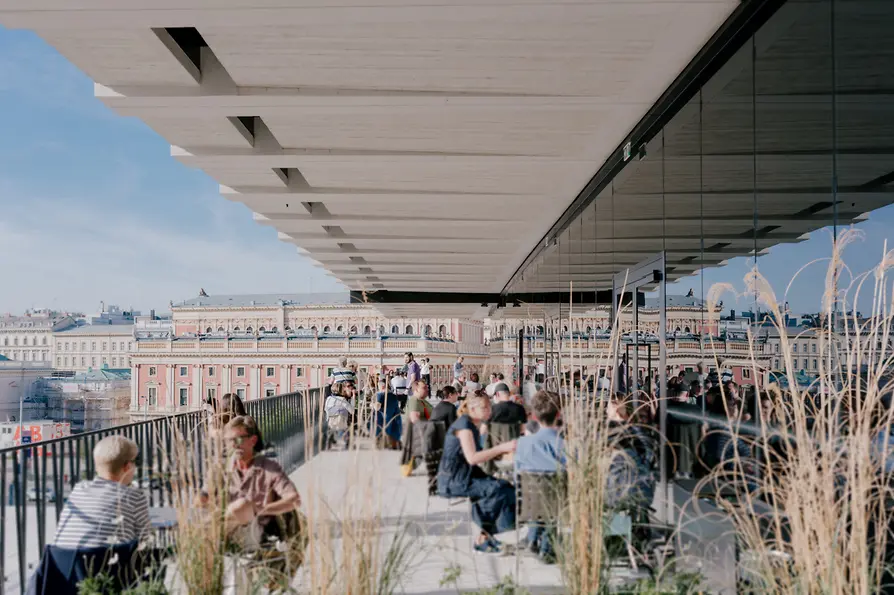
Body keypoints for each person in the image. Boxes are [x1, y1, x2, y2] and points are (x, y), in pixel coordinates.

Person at [221, 416, 306, 584]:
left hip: (254, 531)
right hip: (226, 531)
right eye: (229, 440)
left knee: (242, 505)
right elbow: (201, 500)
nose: (233, 445)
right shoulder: (222, 469)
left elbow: (294, 499)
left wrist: (262, 509)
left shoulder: (268, 468)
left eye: (238, 439)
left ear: (252, 440)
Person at [437, 395, 517, 553]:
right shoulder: (464, 428)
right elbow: (472, 458)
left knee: (505, 487)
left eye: (489, 407)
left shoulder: (473, 425)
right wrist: (501, 449)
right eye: (485, 408)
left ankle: (486, 535)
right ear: (472, 409)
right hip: (456, 480)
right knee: (497, 489)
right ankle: (484, 537)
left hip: (467, 475)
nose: (489, 411)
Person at [53, 435, 149, 548]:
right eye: (135, 462)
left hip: (63, 563)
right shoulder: (134, 496)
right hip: (107, 563)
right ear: (127, 467)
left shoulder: (78, 489)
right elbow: (145, 540)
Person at [514, 390, 565, 562]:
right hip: (558, 503)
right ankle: (546, 547)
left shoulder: (523, 443)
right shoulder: (564, 444)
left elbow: (517, 474)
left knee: (538, 498)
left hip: (530, 502)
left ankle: (533, 538)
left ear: (534, 415)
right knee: (551, 500)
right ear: (559, 413)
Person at [374, 378, 402, 449]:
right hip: (394, 423)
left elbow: (377, 407)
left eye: (378, 386)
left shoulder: (380, 395)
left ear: (382, 386)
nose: (378, 388)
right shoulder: (393, 396)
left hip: (383, 422)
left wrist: (372, 404)